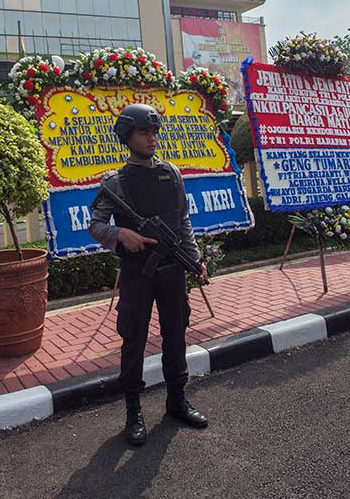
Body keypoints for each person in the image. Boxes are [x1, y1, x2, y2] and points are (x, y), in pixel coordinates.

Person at [88, 103, 209, 447]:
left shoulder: (171, 173)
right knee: (134, 339)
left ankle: (177, 400)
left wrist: (194, 258)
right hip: (137, 273)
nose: (151, 138)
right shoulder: (117, 182)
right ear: (127, 136)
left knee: (176, 334)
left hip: (173, 272)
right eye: (144, 132)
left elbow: (181, 221)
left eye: (154, 131)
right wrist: (119, 235)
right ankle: (133, 411)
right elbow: (95, 224)